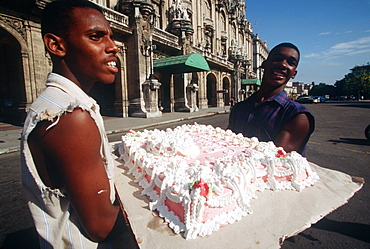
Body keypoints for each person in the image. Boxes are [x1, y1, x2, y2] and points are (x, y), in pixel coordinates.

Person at [20, 0, 138, 248]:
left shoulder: (58, 103)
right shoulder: (71, 116)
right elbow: (101, 227)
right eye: (96, 37)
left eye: (111, 37)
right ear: (56, 45)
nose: (113, 47)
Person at [228, 43, 314, 155]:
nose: (283, 65)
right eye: (277, 59)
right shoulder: (239, 108)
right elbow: (226, 144)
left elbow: (275, 160)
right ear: (264, 64)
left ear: (294, 73)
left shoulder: (296, 116)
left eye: (291, 63)